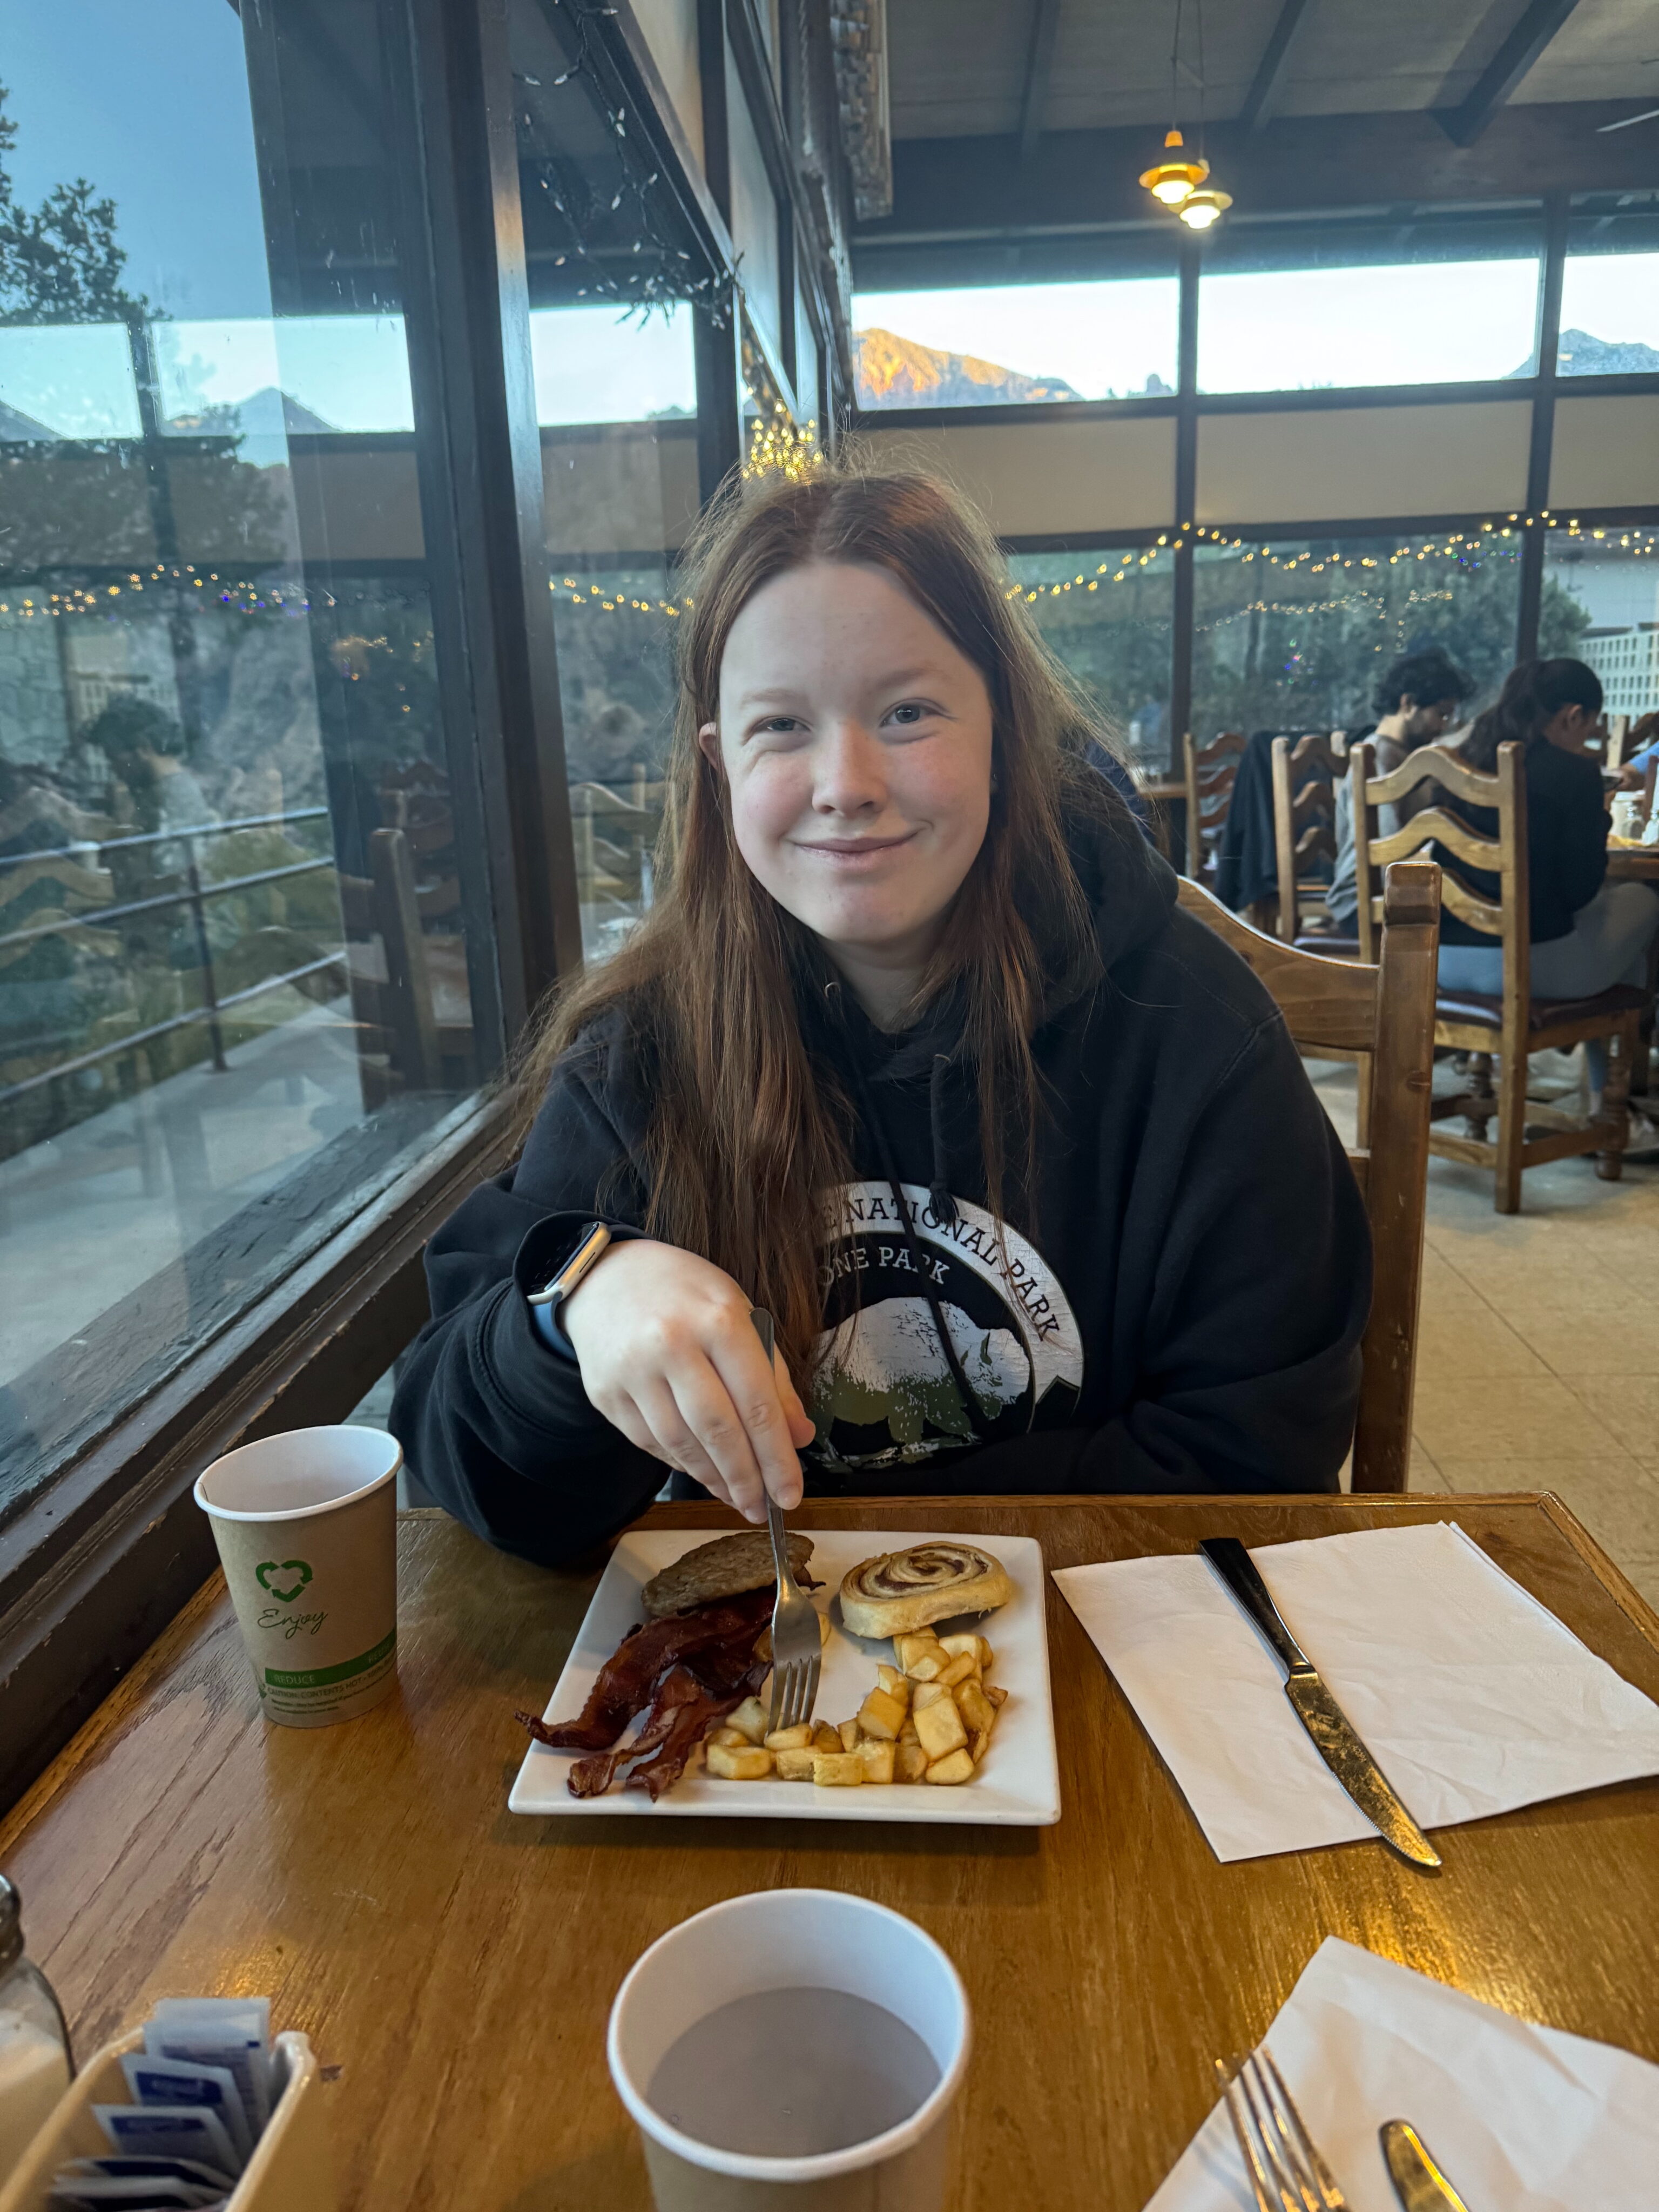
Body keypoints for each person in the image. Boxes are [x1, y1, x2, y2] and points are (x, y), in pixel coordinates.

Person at [390, 464, 1370, 1567]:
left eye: (907, 712)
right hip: (762, 1680)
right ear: (720, 767)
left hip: (1113, 1648)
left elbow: (1260, 1462)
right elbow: (461, 1472)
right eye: (782, 725)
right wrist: (573, 1310)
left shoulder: (1193, 1031)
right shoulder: (644, 1054)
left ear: (1004, 727)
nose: (845, 780)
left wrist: (883, 1550)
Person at [1434, 658, 1659, 1147]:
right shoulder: (1574, 773)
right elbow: (1579, 891)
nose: (1590, 736)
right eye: (1592, 725)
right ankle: (1611, 1105)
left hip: (1440, 962)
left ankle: (1603, 1101)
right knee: (1642, 902)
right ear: (1573, 715)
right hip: (1520, 970)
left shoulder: (1463, 759)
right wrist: (1598, 820)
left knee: (1608, 931)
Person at [1325, 649, 1475, 934]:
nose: (1443, 727)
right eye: (1441, 715)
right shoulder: (1378, 757)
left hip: (1393, 891)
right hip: (1363, 900)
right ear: (1408, 704)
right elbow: (1389, 853)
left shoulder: (1406, 755)